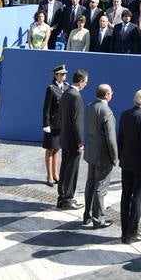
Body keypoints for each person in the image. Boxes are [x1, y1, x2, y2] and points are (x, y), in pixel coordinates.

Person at [117, 89, 141, 243]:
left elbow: (120, 138)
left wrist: (120, 157)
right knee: (138, 198)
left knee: (126, 196)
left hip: (126, 163)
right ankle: (132, 233)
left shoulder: (125, 115)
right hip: (140, 166)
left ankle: (125, 231)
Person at [83, 83, 118, 228]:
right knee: (100, 186)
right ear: (106, 95)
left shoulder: (90, 106)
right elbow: (111, 138)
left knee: (90, 183)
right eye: (111, 92)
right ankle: (98, 219)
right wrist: (115, 157)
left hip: (91, 151)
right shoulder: (106, 111)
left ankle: (87, 215)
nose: (112, 94)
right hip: (103, 155)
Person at [57, 68, 88, 209]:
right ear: (80, 81)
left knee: (64, 168)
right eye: (85, 82)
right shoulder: (76, 96)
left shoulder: (66, 93)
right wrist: (81, 142)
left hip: (65, 138)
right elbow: (77, 122)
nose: (86, 85)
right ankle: (68, 199)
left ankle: (62, 197)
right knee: (72, 170)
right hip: (73, 141)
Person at [42, 64, 69, 186]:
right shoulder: (51, 88)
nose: (64, 76)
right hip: (52, 124)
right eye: (62, 74)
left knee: (57, 149)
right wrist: (46, 124)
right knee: (50, 149)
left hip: (61, 124)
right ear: (56, 75)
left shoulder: (67, 87)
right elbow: (46, 109)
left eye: (65, 74)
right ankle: (49, 176)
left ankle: (56, 174)